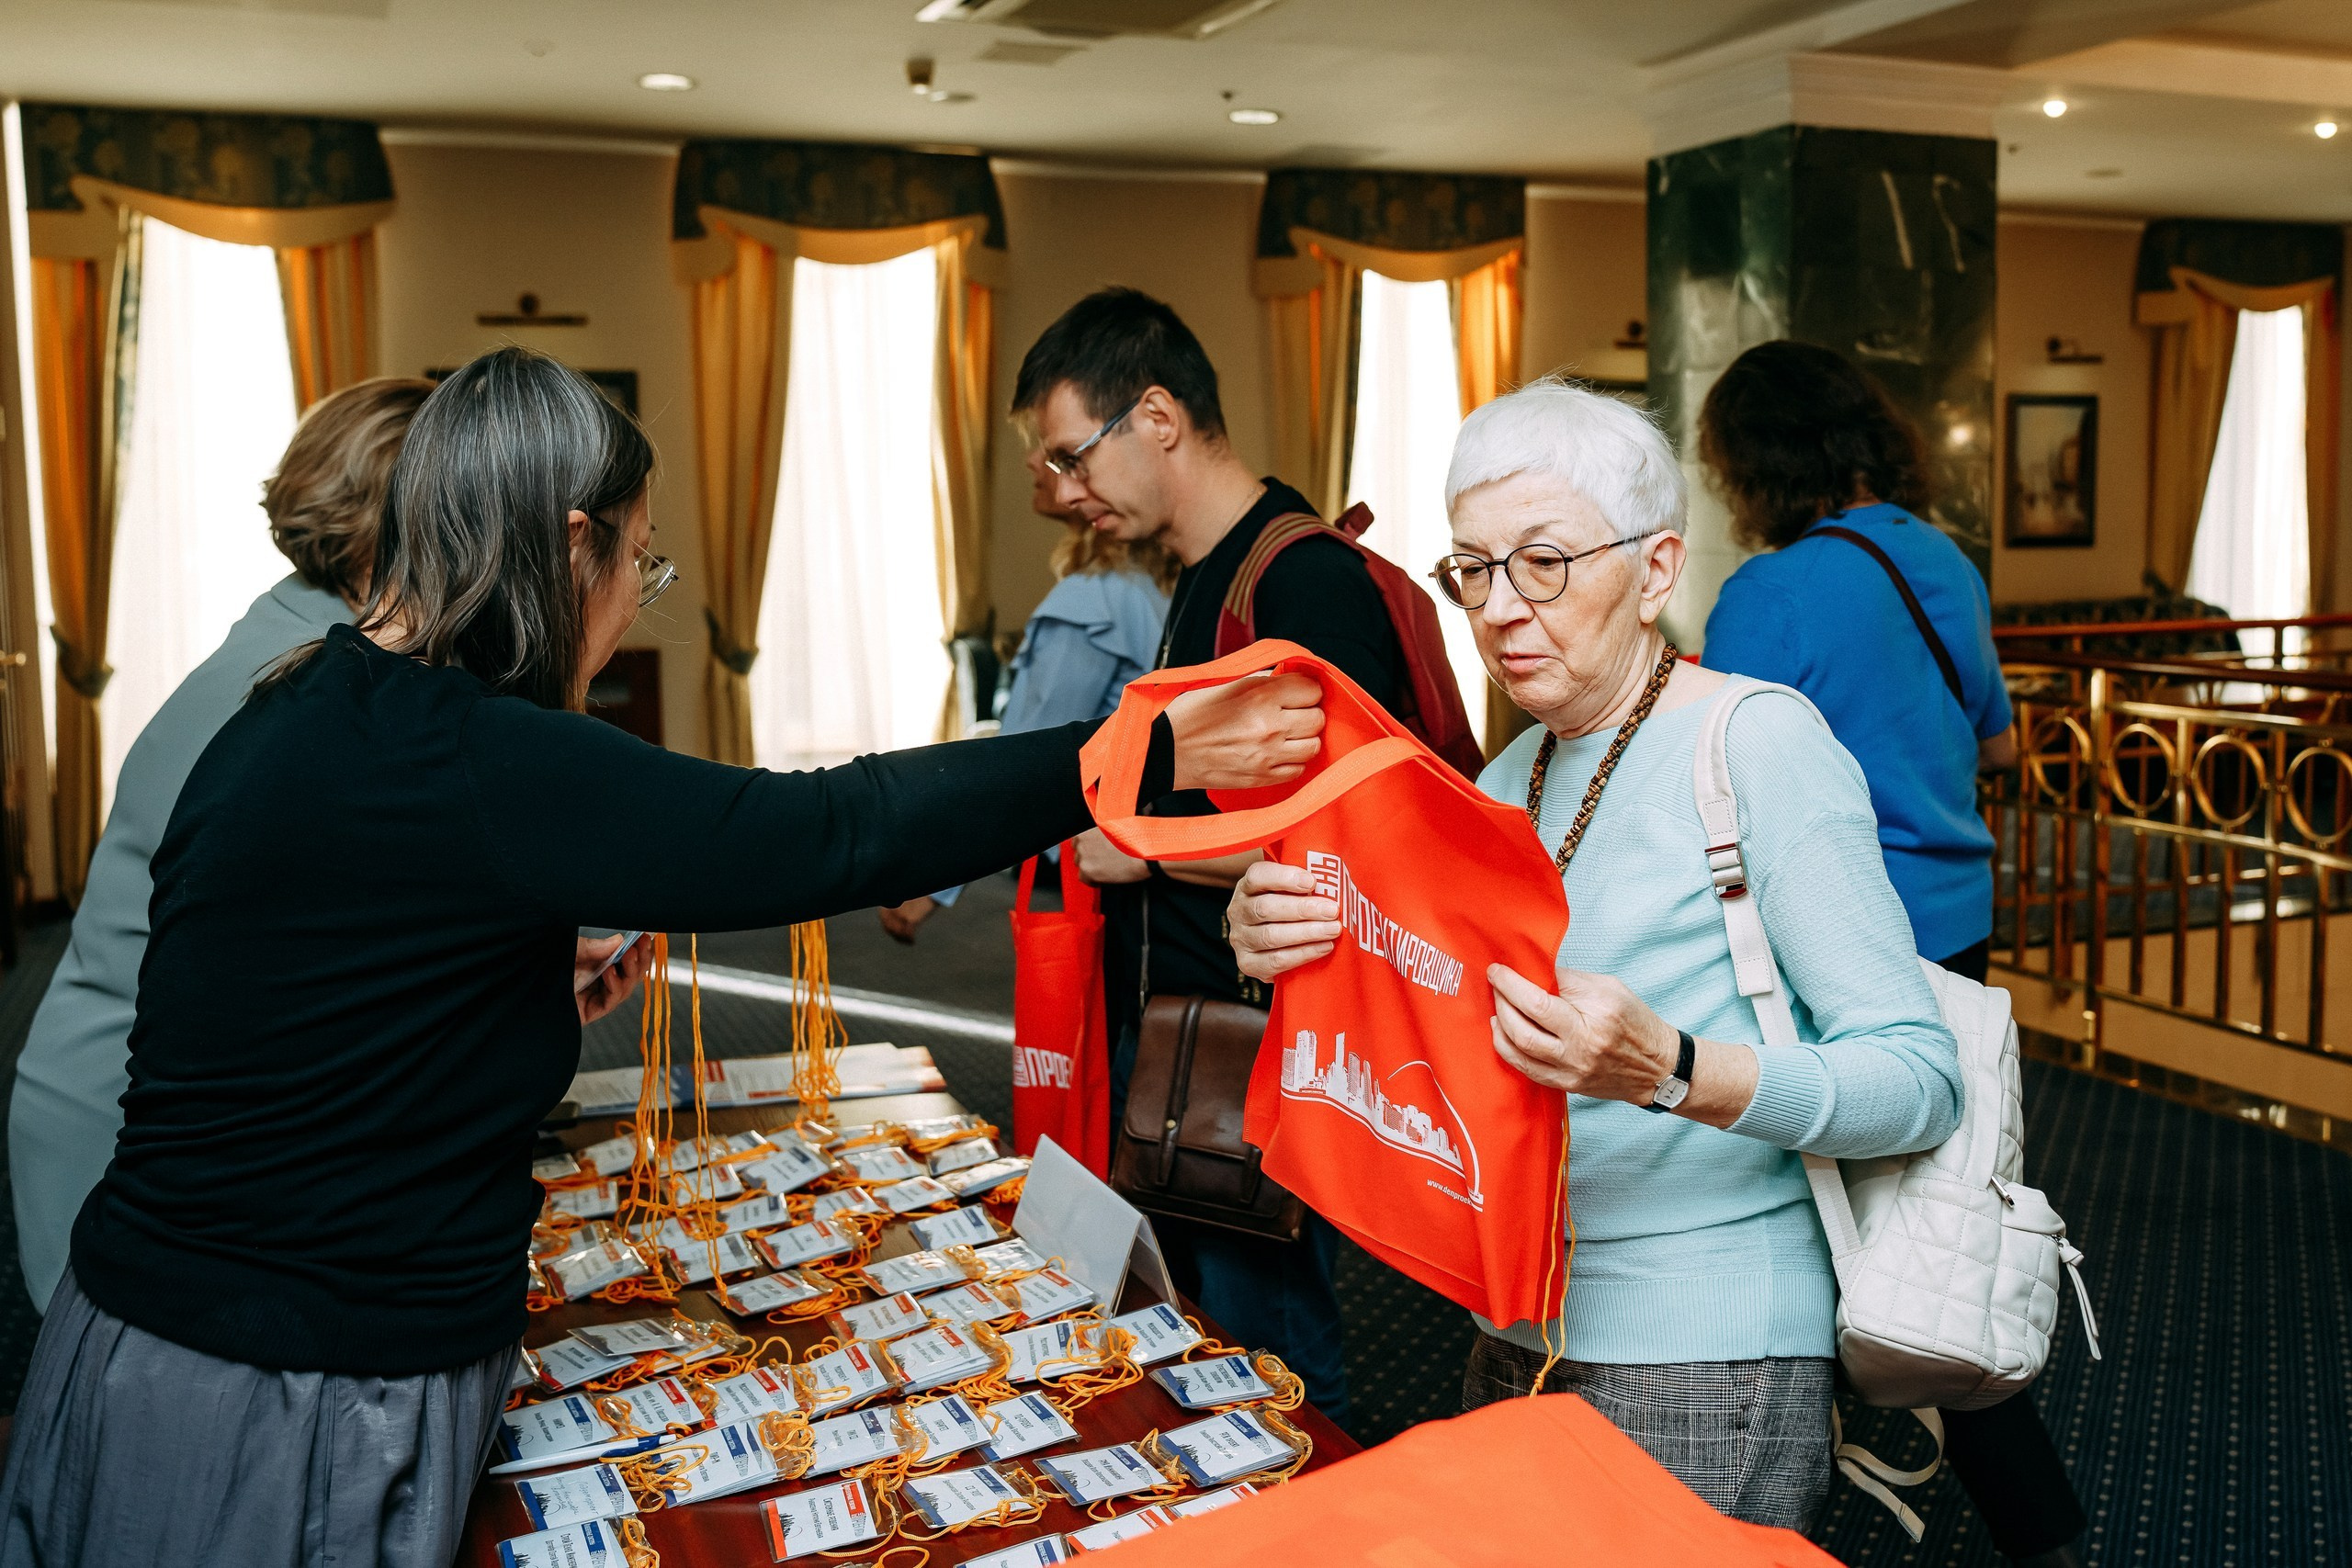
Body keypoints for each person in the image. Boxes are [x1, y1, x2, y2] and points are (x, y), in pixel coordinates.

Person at [0, 346, 1321, 1568]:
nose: (636, 603)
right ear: (572, 543)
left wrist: (510, 992)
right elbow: (828, 829)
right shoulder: (479, 752)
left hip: (143, 1344)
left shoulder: (296, 701)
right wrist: (1138, 747)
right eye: (643, 561)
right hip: (284, 1390)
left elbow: (305, 1005)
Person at [1225, 376, 1962, 1530]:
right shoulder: (1502, 780)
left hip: (1706, 1348)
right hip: (1512, 1322)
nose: (1498, 609)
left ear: (1656, 570)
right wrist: (1281, 949)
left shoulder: (1753, 742)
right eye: (1472, 569)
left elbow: (1917, 1082)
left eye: (1543, 563)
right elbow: (1431, 1039)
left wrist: (1672, 1068)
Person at [1696, 341, 2083, 1568]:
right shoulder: (1942, 558)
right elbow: (1998, 741)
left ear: (1755, 462)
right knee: (1932, 1218)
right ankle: (2039, 1526)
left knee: (1824, 1225)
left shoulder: (1770, 591)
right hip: (1959, 924)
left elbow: (1706, 779)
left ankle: (1779, 1495)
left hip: (1840, 939)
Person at [1014, 287, 1407, 1428]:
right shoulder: (1204, 573)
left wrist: (1145, 853)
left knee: (1273, 1367)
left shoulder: (1298, 579)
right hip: (1187, 1037)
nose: (1064, 491)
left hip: (1254, 1045)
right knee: (1202, 1352)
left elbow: (1360, 836)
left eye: (1072, 456)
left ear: (1156, 417)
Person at [9, 376, 444, 1314]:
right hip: (130, 1122)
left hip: (156, 1089)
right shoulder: (311, 681)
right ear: (402, 524)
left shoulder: (308, 626)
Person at [877, 443, 1173, 942]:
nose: (1033, 462)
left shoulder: (1093, 598)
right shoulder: (1149, 584)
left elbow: (1023, 759)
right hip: (1144, 852)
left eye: (1052, 448)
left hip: (1104, 867)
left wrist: (932, 885)